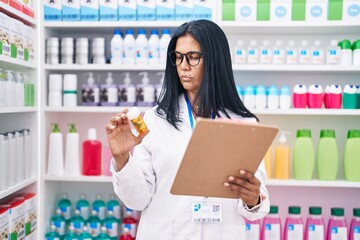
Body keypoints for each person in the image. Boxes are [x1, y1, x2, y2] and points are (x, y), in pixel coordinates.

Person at [106, 19, 270, 240]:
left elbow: (257, 208)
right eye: (178, 57)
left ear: (215, 61)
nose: (183, 65)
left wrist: (253, 199)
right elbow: (137, 200)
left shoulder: (244, 124)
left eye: (193, 57)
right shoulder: (155, 120)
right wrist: (122, 157)